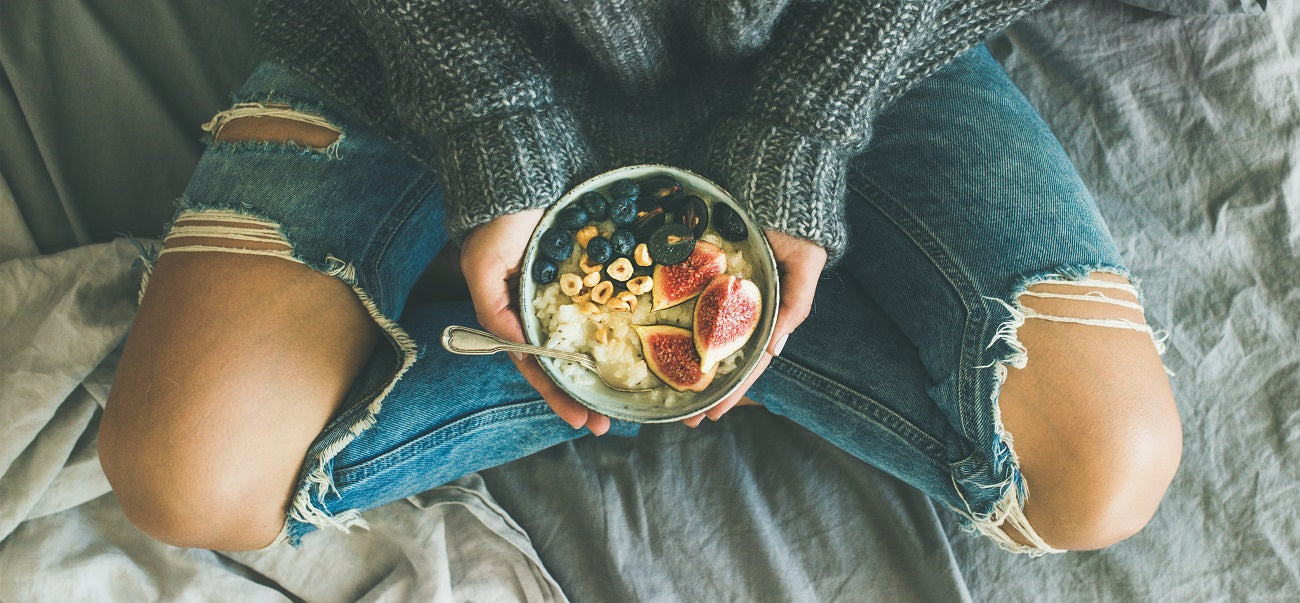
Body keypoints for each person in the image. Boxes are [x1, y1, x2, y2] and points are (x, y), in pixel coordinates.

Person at [97, 0, 1182, 556]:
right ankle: (665, 347)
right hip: (415, 47)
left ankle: (679, 344)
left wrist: (809, 118)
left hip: (843, 39)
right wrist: (488, 122)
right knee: (188, 478)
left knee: (1096, 473)